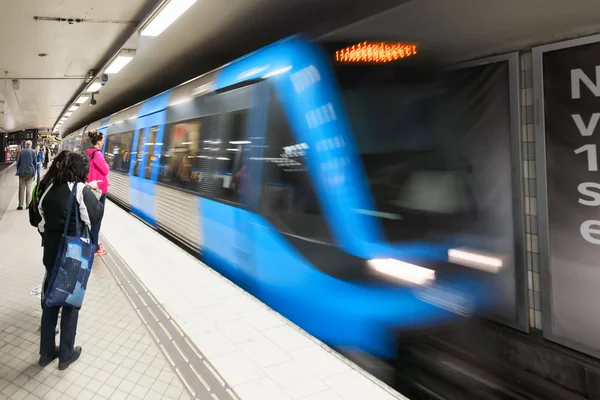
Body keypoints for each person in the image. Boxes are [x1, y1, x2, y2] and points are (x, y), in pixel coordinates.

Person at [38, 152, 104, 369]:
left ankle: (46, 353)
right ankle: (66, 354)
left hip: (51, 255)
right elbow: (93, 218)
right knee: (70, 305)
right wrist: (98, 195)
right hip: (72, 257)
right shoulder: (80, 190)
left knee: (50, 303)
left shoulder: (48, 188)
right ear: (80, 171)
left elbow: (40, 222)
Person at [86, 131, 109, 255]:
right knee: (97, 219)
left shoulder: (89, 153)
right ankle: (94, 247)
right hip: (99, 190)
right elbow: (105, 170)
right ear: (99, 141)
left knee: (93, 218)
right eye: (103, 139)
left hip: (93, 188)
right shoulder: (98, 154)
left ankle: (92, 241)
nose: (104, 142)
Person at [16, 140, 37, 210]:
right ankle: (28, 205)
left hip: (22, 172)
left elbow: (18, 163)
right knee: (28, 188)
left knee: (21, 189)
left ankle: (20, 205)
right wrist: (35, 172)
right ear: (30, 145)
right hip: (31, 172)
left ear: (25, 145)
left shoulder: (21, 152)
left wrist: (18, 170)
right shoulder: (33, 152)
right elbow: (35, 163)